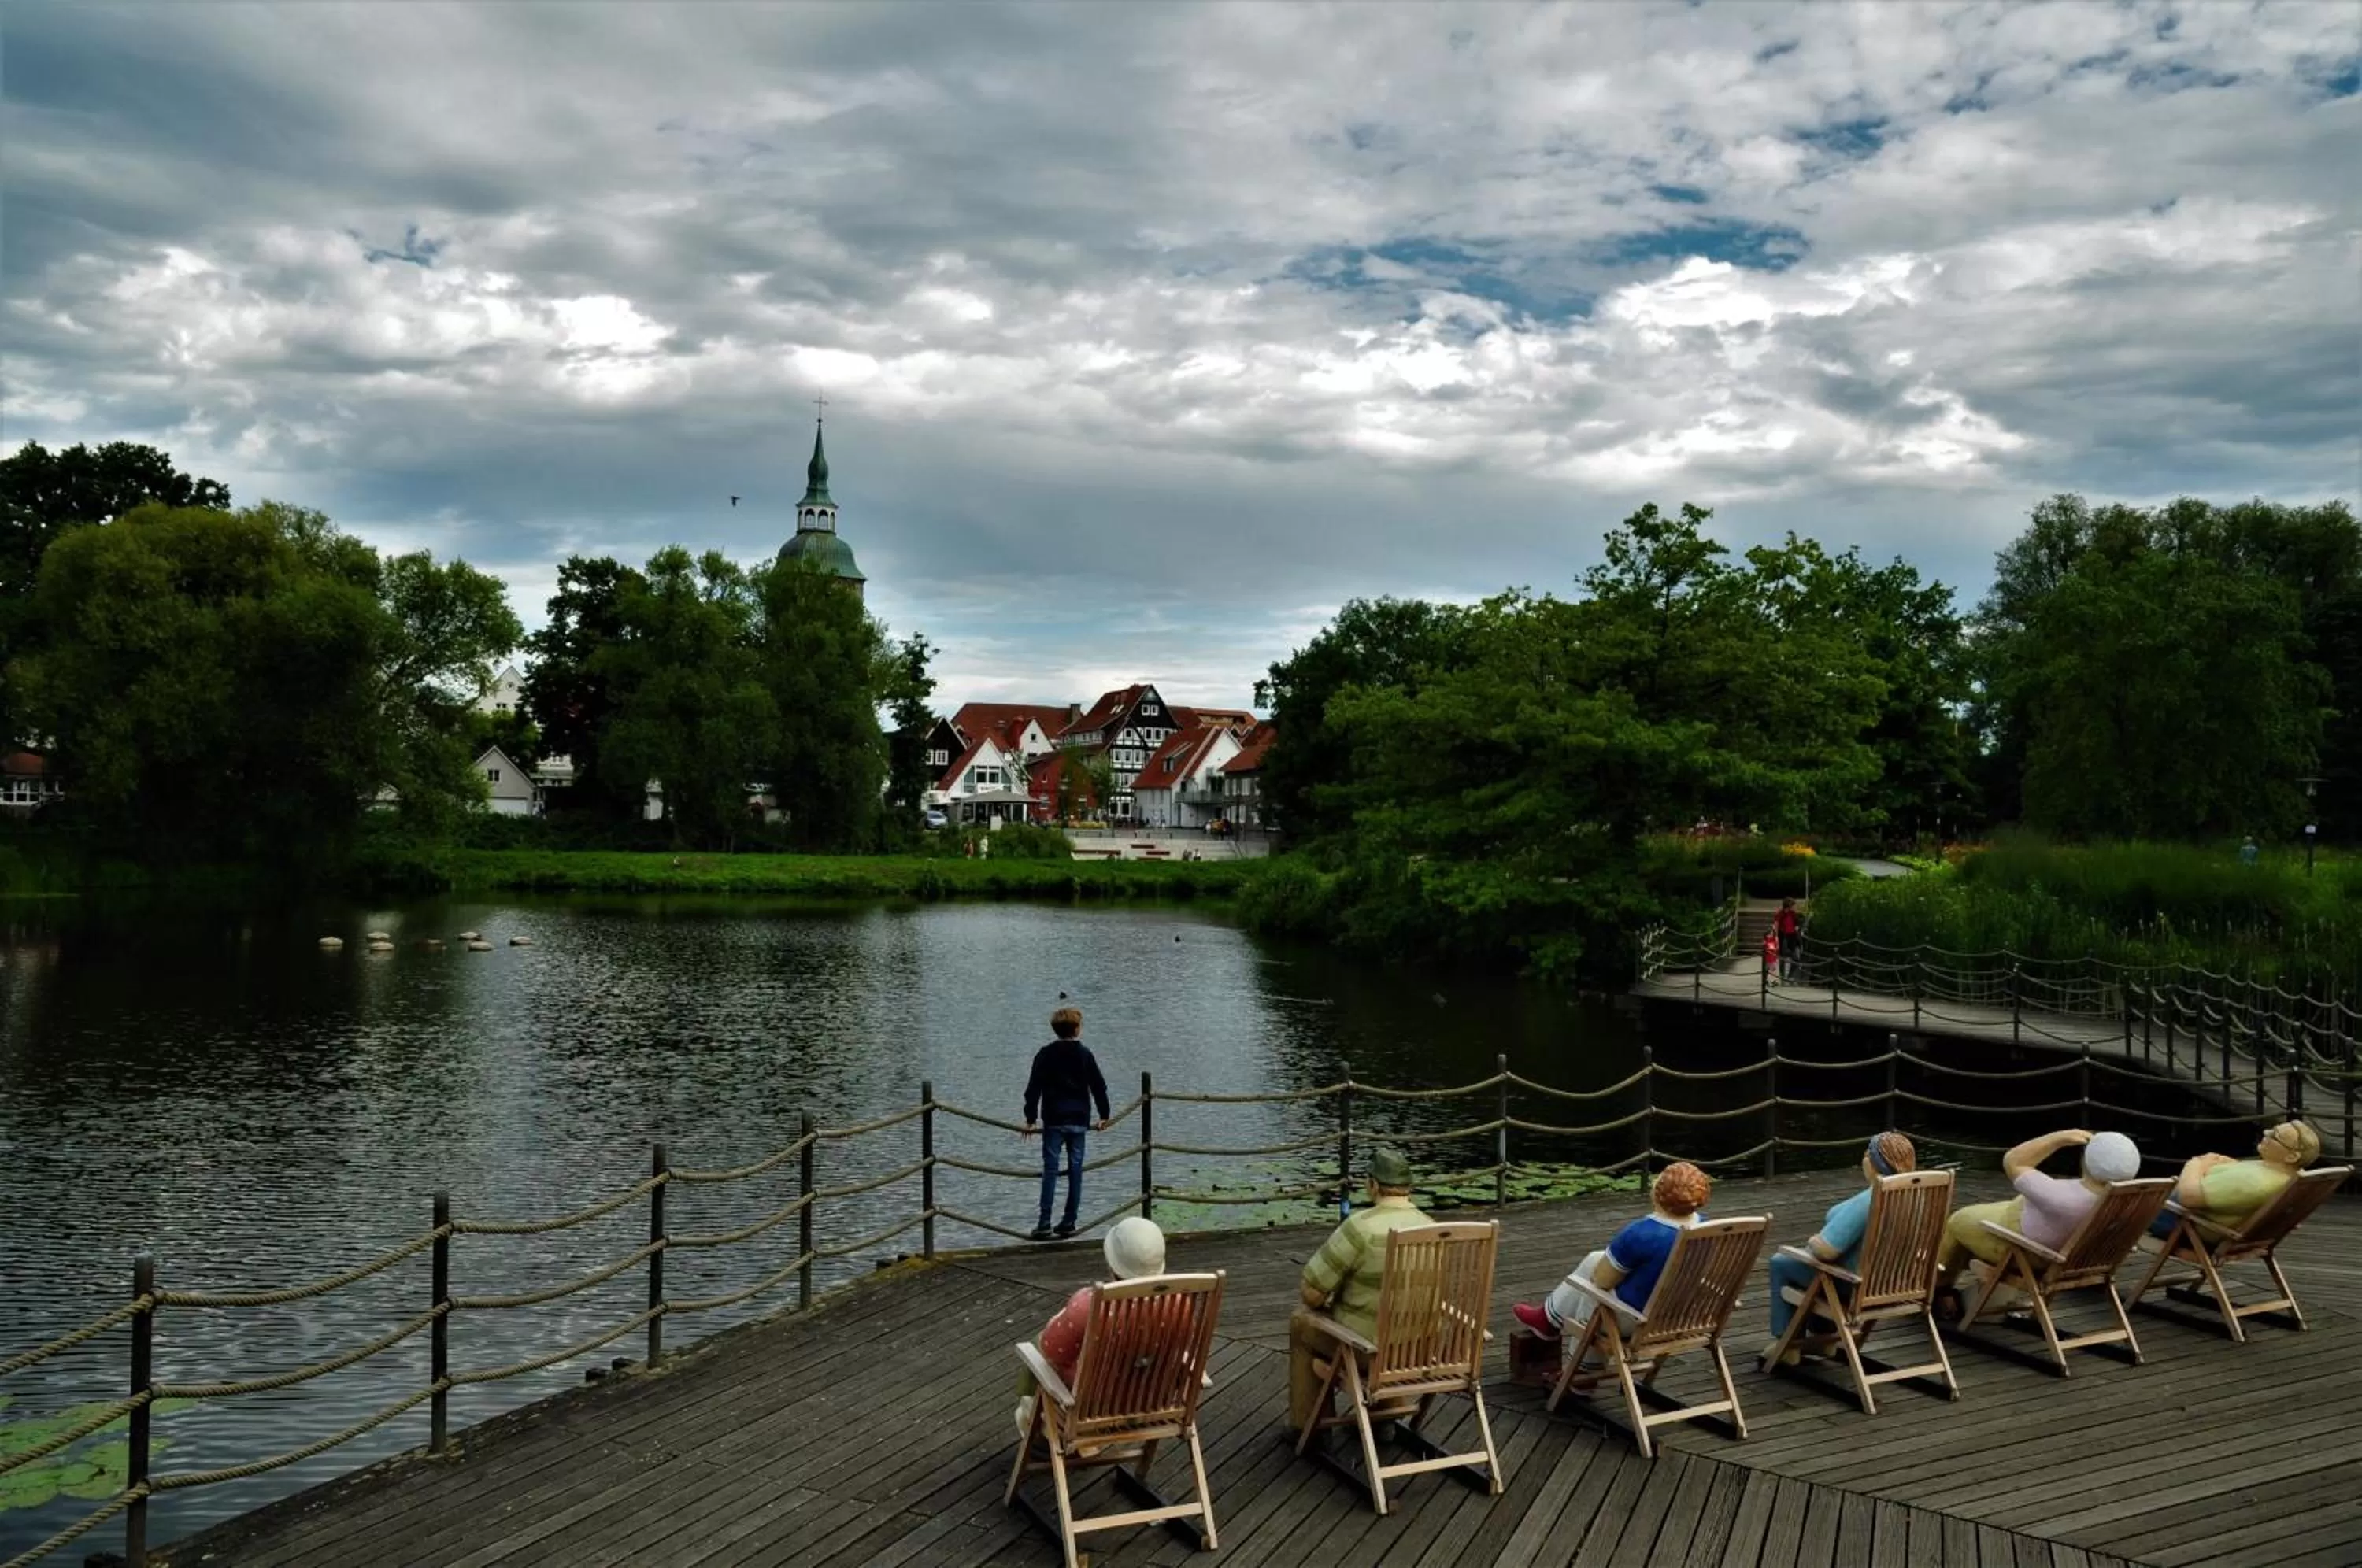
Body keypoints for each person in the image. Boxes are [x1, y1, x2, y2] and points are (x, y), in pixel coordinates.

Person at [1511, 1163, 1714, 1389]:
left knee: (1592, 1291)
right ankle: (1548, 1319)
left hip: (1637, 1321)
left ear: (1658, 1195)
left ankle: (1577, 1367)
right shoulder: (1709, 1227)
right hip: (1680, 1316)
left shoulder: (1643, 1233)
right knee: (1595, 1259)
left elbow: (1602, 1281)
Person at [1287, 1148, 1431, 1430]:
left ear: (1373, 1185)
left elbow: (1312, 1293)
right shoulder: (1432, 1228)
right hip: (1418, 1352)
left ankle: (1307, 1428)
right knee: (1397, 1323)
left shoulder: (1360, 1228)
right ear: (1409, 1188)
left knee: (1301, 1323)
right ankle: (1385, 1419)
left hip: (1369, 1354)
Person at [1931, 1127, 2141, 1316]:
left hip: (2030, 1251)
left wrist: (2058, 1138)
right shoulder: (2133, 1200)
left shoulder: (2059, 1197)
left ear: (2087, 1161)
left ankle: (1940, 1290)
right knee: (1979, 1224)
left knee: (1958, 1222)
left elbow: (2013, 1160)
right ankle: (1968, 1292)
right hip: (2079, 1258)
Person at [1764, 1133, 1916, 1365]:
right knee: (1821, 1275)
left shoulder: (1874, 1198)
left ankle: (1788, 1344)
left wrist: (1814, 1241)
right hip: (1897, 1282)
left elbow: (1827, 1251)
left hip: (1856, 1285)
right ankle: (1824, 1341)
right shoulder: (1916, 1196)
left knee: (1782, 1263)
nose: (1863, 1159)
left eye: (1867, 1154)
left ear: (1876, 1162)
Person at [1014, 1215, 1170, 1434]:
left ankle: (1036, 1428)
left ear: (1111, 1265)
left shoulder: (1089, 1306)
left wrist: (1057, 1322)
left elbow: (1052, 1352)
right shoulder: (1179, 1307)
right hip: (1147, 1405)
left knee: (1037, 1349)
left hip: (1091, 1408)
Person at [2146, 1120, 2323, 1243]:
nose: (2266, 1133)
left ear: (2292, 1156)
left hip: (2180, 1222)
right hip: (2221, 1225)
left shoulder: (2254, 1184)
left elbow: (2188, 1197)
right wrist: (2220, 1163)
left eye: (2275, 1136)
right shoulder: (2291, 1177)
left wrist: (2196, 1163)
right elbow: (2243, 1177)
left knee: (2126, 1212)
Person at [1022, 1005, 1112, 1241]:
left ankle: (1044, 1222)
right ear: (1078, 1029)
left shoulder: (1045, 1054)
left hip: (1053, 1120)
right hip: (1079, 1120)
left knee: (1050, 1171)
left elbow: (1033, 1088)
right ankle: (1069, 1221)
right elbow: (1098, 1086)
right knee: (1076, 1170)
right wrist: (1104, 1114)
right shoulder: (1085, 1054)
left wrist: (1030, 1118)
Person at [1775, 898, 1803, 982]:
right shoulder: (1780, 914)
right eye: (1793, 906)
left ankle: (1789, 976)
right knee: (1782, 959)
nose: (1794, 907)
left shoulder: (1793, 914)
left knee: (1796, 959)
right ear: (1788, 906)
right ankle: (1782, 977)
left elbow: (1797, 924)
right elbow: (1776, 925)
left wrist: (1797, 928)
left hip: (1792, 938)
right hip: (1783, 938)